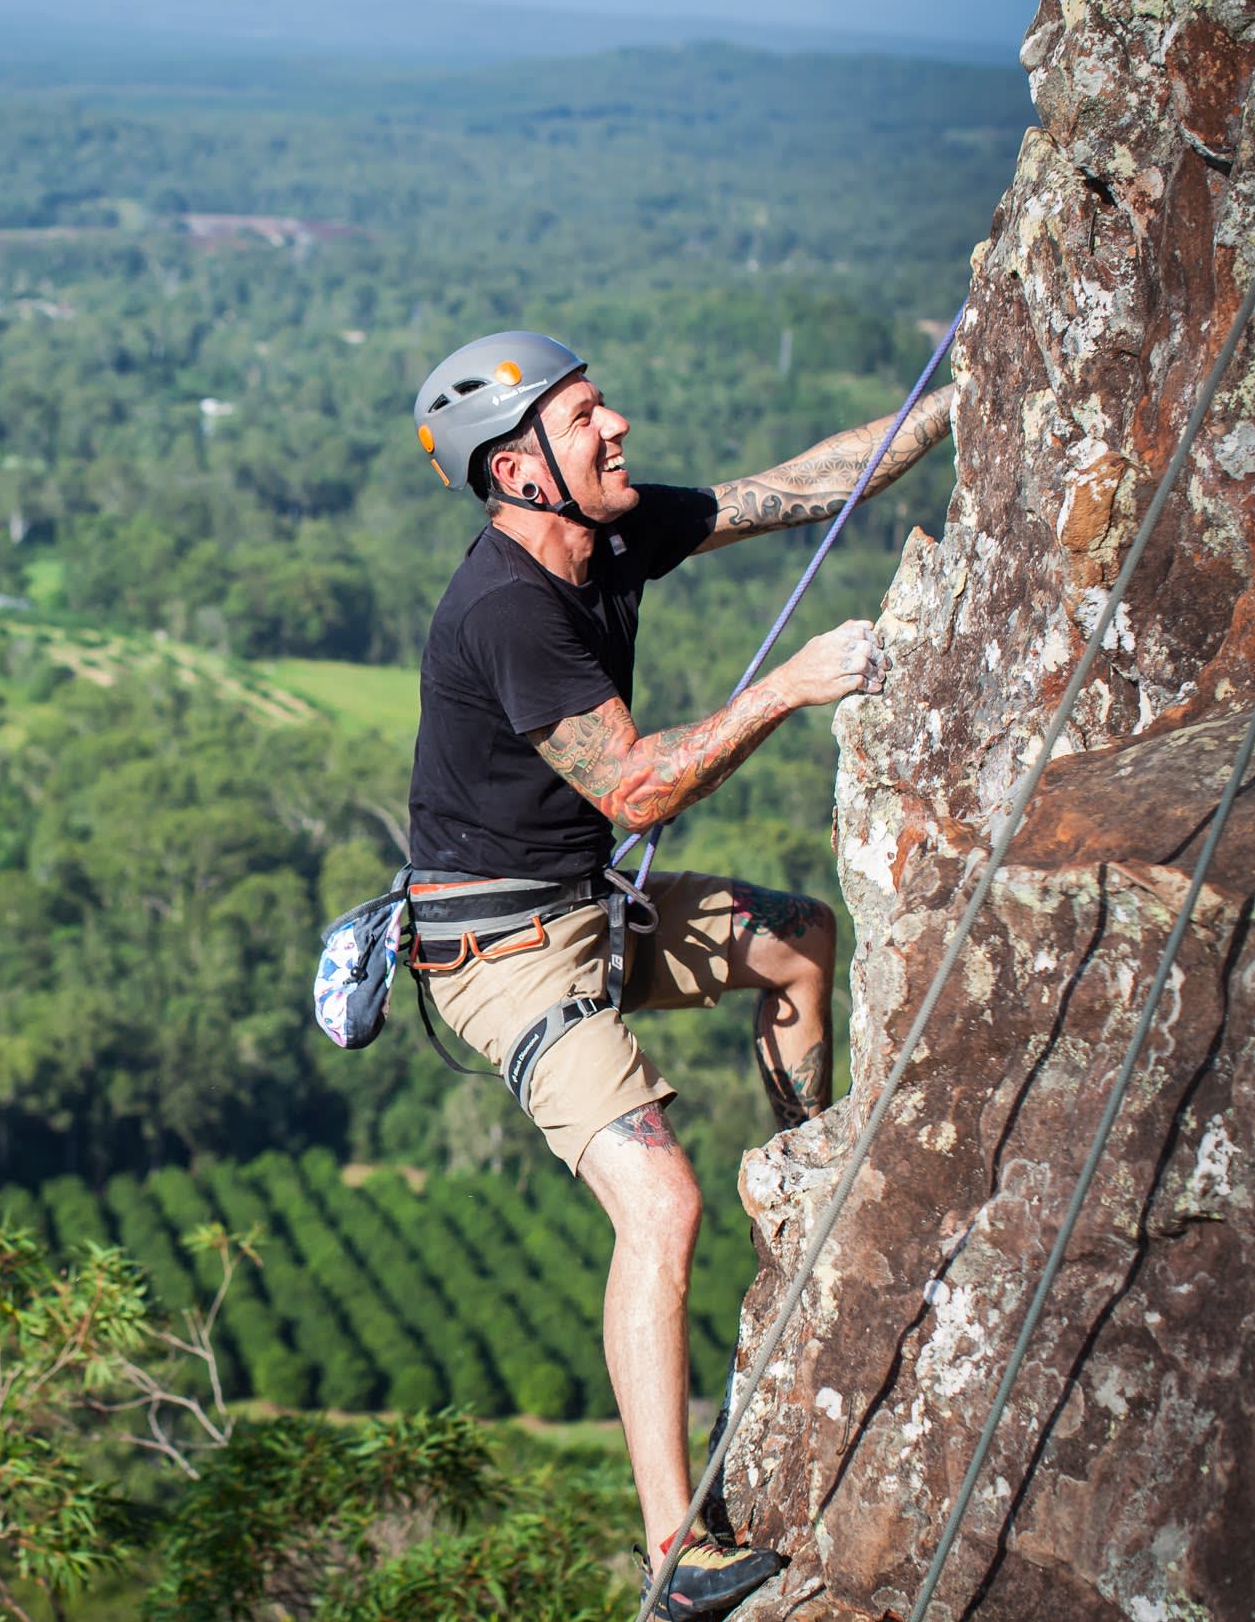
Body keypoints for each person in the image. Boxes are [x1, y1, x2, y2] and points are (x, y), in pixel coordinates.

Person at [403, 330, 953, 1619]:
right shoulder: (505, 611)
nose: (619, 428)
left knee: (800, 942)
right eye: (586, 416)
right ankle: (673, 1556)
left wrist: (965, 392)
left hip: (585, 907)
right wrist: (792, 686)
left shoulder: (608, 533)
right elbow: (638, 782)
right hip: (506, 959)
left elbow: (805, 485)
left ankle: (812, 1172)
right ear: (519, 464)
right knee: (658, 1203)